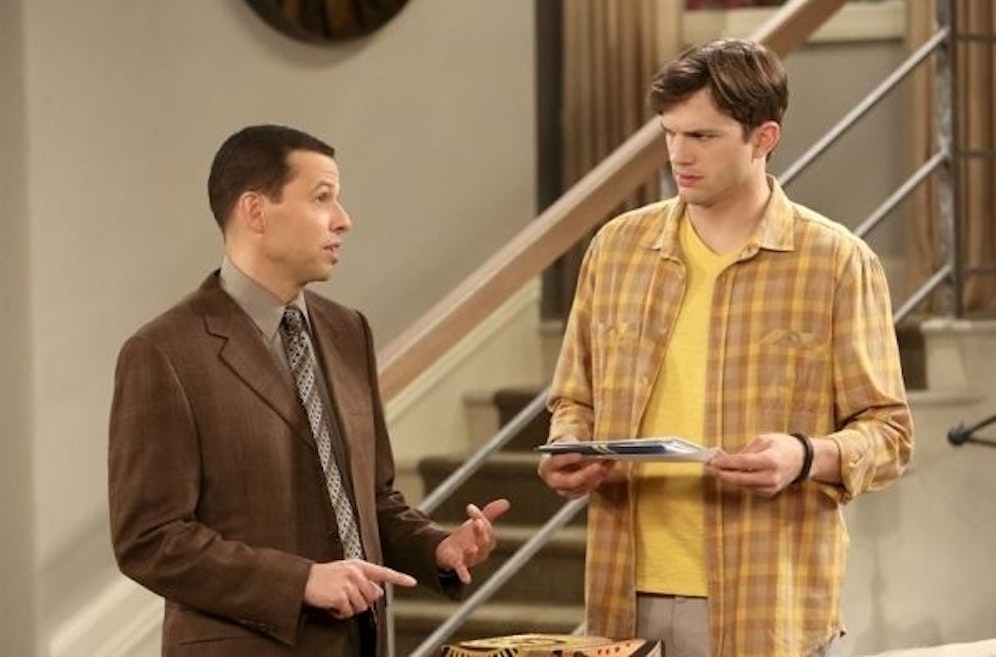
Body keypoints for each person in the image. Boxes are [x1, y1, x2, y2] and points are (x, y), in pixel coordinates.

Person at [538, 39, 913, 657]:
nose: (679, 155)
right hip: (622, 600)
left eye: (703, 137)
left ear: (763, 138)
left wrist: (803, 455)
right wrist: (569, 446)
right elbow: (574, 398)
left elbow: (890, 434)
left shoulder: (835, 262)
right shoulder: (617, 249)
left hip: (768, 602)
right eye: (670, 133)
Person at [108, 124, 510, 656]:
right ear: (255, 211)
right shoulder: (164, 352)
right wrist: (299, 581)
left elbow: (370, 500)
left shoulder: (348, 331)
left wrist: (437, 548)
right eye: (322, 198)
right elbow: (150, 539)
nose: (343, 219)